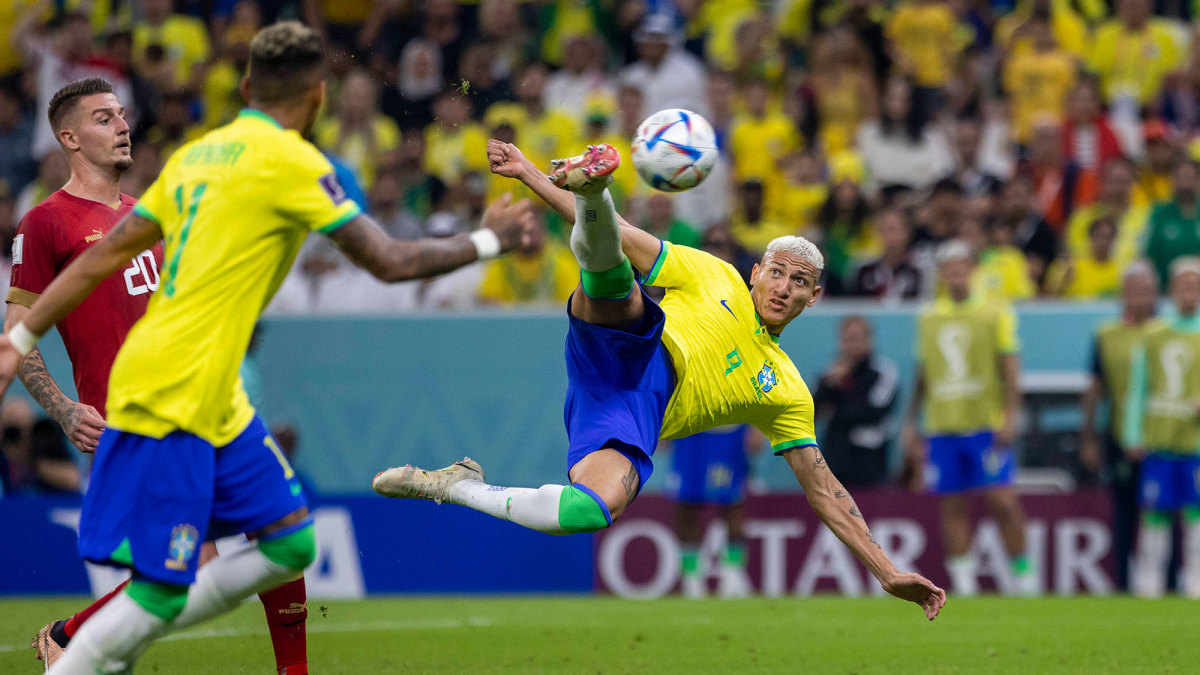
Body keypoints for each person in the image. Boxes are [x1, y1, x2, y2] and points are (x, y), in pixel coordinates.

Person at [0, 22, 533, 673]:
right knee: (188, 576)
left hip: (209, 391)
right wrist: (488, 240)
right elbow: (389, 260)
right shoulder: (51, 219)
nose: (122, 124)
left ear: (248, 88)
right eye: (103, 116)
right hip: (146, 404)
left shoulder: (187, 166)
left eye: (121, 112)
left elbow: (116, 270)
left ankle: (274, 667)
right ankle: (74, 645)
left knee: (286, 537)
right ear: (315, 98)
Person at [374, 140, 947, 621]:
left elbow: (826, 491)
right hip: (635, 347)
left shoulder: (788, 391)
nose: (783, 287)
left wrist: (887, 570)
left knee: (585, 513)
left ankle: (453, 484)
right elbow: (621, 234)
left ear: (813, 297)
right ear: (755, 272)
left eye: (798, 282)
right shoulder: (713, 275)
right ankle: (595, 187)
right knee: (614, 279)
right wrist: (528, 173)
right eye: (776, 272)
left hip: (629, 414)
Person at [902, 240, 1034, 596]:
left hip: (984, 424)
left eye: (962, 269)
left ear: (973, 272)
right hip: (943, 426)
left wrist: (1010, 415)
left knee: (1002, 501)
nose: (957, 276)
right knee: (952, 505)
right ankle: (964, 583)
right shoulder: (929, 317)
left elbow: (1010, 370)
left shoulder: (995, 313)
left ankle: (1024, 577)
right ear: (943, 275)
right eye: (950, 270)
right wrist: (911, 422)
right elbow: (923, 373)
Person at [1079, 263, 1159, 592]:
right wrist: (1089, 436)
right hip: (1120, 436)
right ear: (1123, 294)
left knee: (1165, 513)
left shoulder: (1170, 333)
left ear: (1155, 295)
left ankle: (1167, 585)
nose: (1139, 297)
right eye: (1133, 290)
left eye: (1145, 290)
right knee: (1124, 513)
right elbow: (1096, 387)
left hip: (1164, 437)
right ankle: (1125, 585)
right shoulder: (1107, 334)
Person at [1123, 257, 1200, 598]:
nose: (1189, 292)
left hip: (1195, 444)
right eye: (1184, 286)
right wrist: (1132, 433)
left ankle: (1194, 582)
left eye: (1195, 286)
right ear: (1172, 291)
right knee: (1155, 516)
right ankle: (1149, 584)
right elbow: (1138, 388)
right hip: (1160, 440)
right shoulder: (1154, 335)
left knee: (1195, 518)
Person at [669, 424, 762, 598]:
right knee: (686, 506)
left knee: (732, 504)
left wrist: (756, 426)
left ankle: (732, 575)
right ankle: (691, 579)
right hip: (691, 426)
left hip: (729, 426)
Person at [814, 316, 900, 488]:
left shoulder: (883, 372)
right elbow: (812, 411)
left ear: (869, 339)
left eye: (857, 338)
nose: (852, 345)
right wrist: (828, 386)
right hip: (835, 464)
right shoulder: (830, 373)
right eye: (847, 339)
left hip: (870, 467)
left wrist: (835, 412)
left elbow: (873, 412)